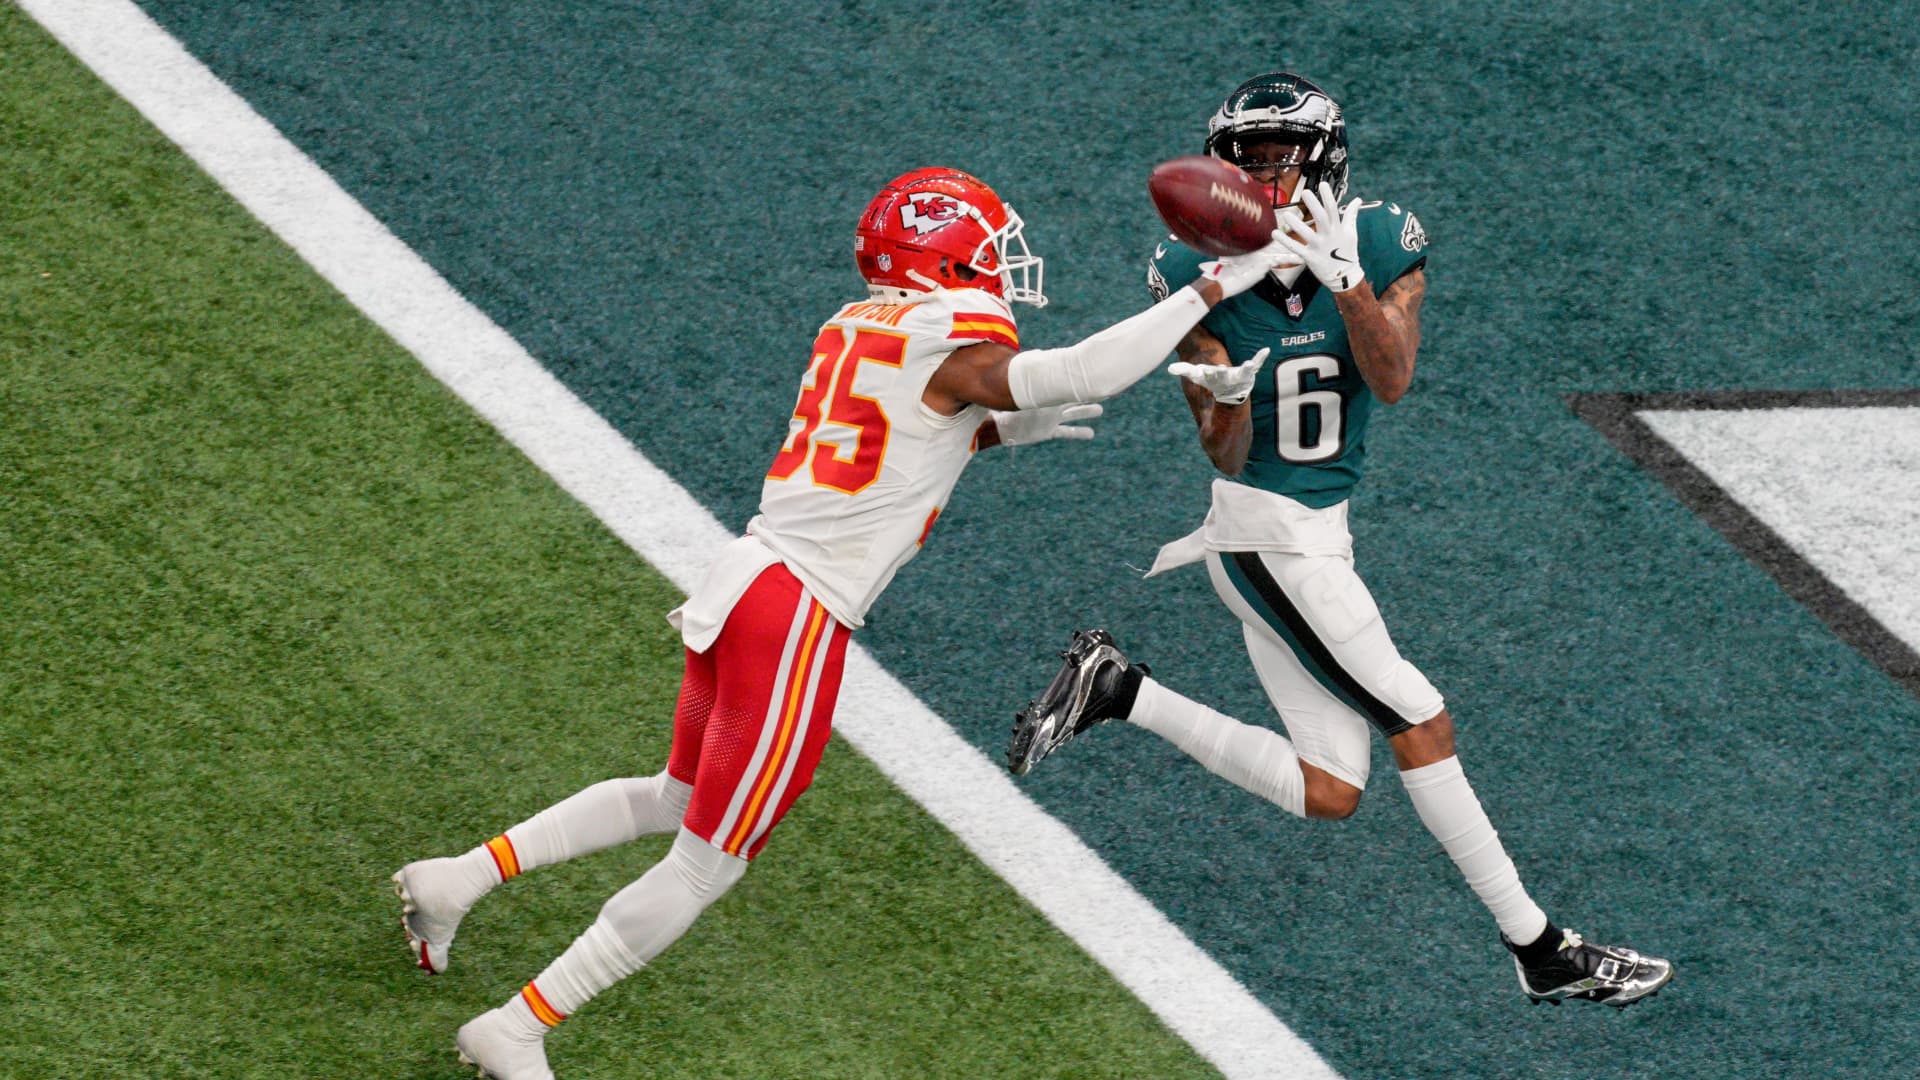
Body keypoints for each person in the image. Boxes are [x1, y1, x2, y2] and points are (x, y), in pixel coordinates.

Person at [393, 166, 1295, 1078]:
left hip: (748, 581)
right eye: (987, 249)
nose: (1001, 265)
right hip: (797, 614)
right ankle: (518, 1028)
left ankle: (458, 877)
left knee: (676, 794)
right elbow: (1077, 371)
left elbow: (909, 433)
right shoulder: (947, 338)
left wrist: (995, 430)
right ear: (944, 260)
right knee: (708, 862)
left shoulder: (855, 325)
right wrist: (1213, 286)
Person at [1005, 73, 1673, 1009]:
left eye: (1277, 160)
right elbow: (1224, 450)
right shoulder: (1195, 272)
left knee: (1331, 787)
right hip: (1264, 538)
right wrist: (1226, 398)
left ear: (1323, 164)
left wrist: (1345, 279)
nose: (1258, 181)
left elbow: (1391, 377)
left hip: (1319, 538)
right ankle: (1540, 948)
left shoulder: (1380, 241)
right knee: (1422, 722)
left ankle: (1118, 689)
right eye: (1243, 163)